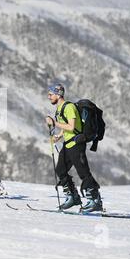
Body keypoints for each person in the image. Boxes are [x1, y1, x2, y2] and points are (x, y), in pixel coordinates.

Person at [45, 83, 103, 212]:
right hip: (68, 143)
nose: (48, 97)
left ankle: (95, 200)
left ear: (58, 94)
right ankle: (73, 197)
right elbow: (67, 126)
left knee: (83, 173)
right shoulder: (60, 109)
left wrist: (54, 123)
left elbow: (71, 127)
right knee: (60, 169)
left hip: (76, 144)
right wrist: (59, 136)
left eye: (50, 94)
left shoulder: (69, 107)